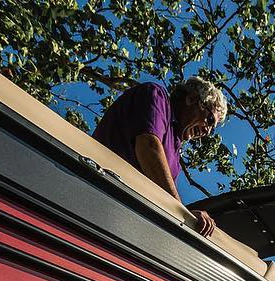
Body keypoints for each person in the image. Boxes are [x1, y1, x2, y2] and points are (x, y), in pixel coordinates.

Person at [93, 77, 227, 238]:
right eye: (210, 120)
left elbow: (161, 198)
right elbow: (149, 146)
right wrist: (183, 215)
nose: (208, 131)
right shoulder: (156, 96)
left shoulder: (175, 158)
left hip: (122, 218)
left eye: (213, 129)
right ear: (192, 99)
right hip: (97, 188)